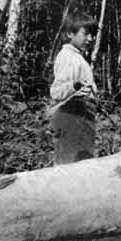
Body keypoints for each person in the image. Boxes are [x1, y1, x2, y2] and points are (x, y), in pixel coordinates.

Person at [48, 13, 98, 165]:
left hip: (82, 120)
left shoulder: (78, 58)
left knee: (82, 168)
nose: (90, 39)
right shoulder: (67, 57)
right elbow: (56, 91)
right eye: (86, 34)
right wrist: (75, 86)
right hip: (72, 118)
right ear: (70, 33)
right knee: (71, 170)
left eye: (93, 35)